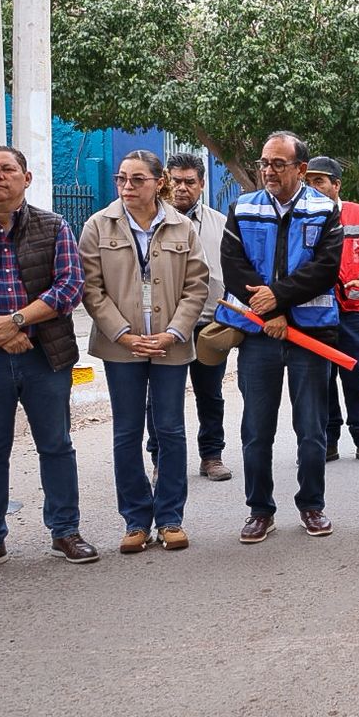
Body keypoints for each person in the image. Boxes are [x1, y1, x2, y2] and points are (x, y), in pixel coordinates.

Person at [79, 150, 210, 552]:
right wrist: (122, 334)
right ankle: (135, 520)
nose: (127, 187)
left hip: (170, 345)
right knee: (127, 431)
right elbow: (92, 289)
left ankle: (170, 518)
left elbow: (197, 286)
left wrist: (173, 332)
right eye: (122, 179)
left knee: (170, 429)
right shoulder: (98, 226)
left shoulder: (181, 227)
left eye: (137, 180)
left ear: (158, 183)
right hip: (122, 349)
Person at [217, 130, 344, 544]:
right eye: (264, 163)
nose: (269, 171)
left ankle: (312, 505)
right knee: (256, 429)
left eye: (278, 164)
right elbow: (233, 266)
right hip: (259, 336)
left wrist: (280, 302)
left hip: (311, 335)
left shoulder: (325, 209)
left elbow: (325, 269)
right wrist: (268, 312)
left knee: (311, 427)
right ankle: (260, 510)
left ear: (301, 169)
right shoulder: (242, 207)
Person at [0, 145, 97, 569]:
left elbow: (70, 287)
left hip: (44, 356)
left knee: (55, 445)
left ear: (26, 178)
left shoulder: (54, 227)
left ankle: (65, 531)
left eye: (7, 169)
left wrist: (15, 321)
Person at [151, 152, 231, 481]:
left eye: (189, 182)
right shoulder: (150, 224)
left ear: (201, 185)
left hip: (207, 327)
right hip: (162, 329)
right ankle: (161, 459)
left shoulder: (221, 224)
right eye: (176, 181)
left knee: (210, 395)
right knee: (159, 398)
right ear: (164, 183)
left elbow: (231, 274)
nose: (182, 188)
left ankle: (211, 455)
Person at [302, 156, 359, 465]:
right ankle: (328, 441)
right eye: (308, 182)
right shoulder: (299, 216)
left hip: (352, 309)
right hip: (314, 311)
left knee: (355, 372)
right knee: (321, 378)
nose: (313, 188)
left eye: (319, 182)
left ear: (336, 185)